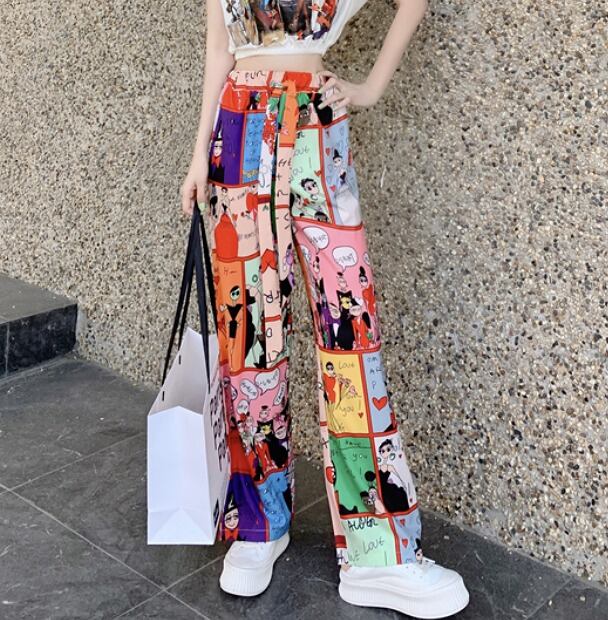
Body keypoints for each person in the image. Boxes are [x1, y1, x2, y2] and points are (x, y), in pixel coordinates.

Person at [180, 0, 470, 617]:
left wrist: (369, 87)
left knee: (350, 337)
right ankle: (260, 522)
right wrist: (197, 153)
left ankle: (378, 551)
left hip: (316, 126)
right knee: (249, 342)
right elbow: (218, 50)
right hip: (237, 133)